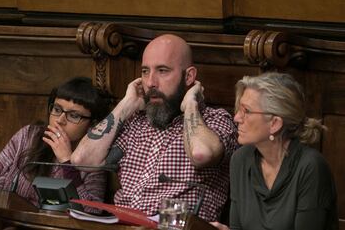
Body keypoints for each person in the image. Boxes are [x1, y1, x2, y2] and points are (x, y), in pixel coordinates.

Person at [71, 34, 239, 221]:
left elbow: (201, 155)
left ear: (189, 76)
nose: (150, 82)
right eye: (144, 71)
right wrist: (126, 105)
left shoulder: (216, 120)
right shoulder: (136, 123)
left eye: (162, 70)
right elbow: (82, 160)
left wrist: (191, 104)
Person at [210, 72, 338, 230]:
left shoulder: (310, 167)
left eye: (247, 111)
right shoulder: (240, 159)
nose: (236, 118)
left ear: (275, 124)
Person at [0, 77, 111, 213]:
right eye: (57, 109)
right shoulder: (29, 135)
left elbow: (92, 212)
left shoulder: (95, 160)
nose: (59, 120)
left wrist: (67, 162)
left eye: (74, 115)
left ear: (93, 125)